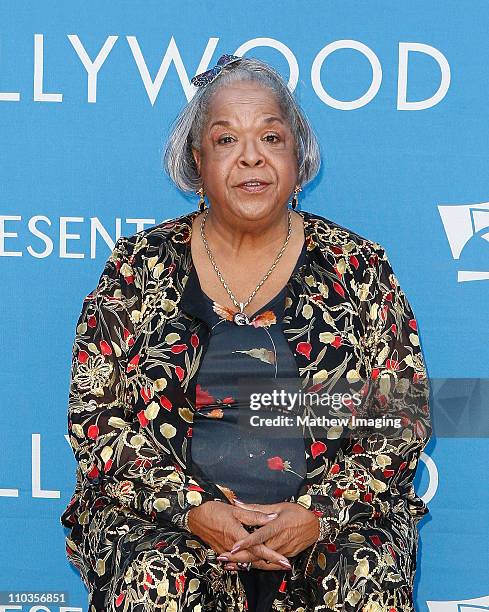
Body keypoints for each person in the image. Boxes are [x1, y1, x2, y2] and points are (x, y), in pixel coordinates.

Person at [60, 54, 432, 612]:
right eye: (227, 139)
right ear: (197, 160)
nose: (252, 156)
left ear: (298, 155)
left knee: (365, 571)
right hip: (168, 522)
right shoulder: (138, 267)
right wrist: (191, 508)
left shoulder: (357, 266)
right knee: (155, 576)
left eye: (271, 136)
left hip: (325, 521)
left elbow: (401, 417)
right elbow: (97, 422)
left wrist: (318, 511)